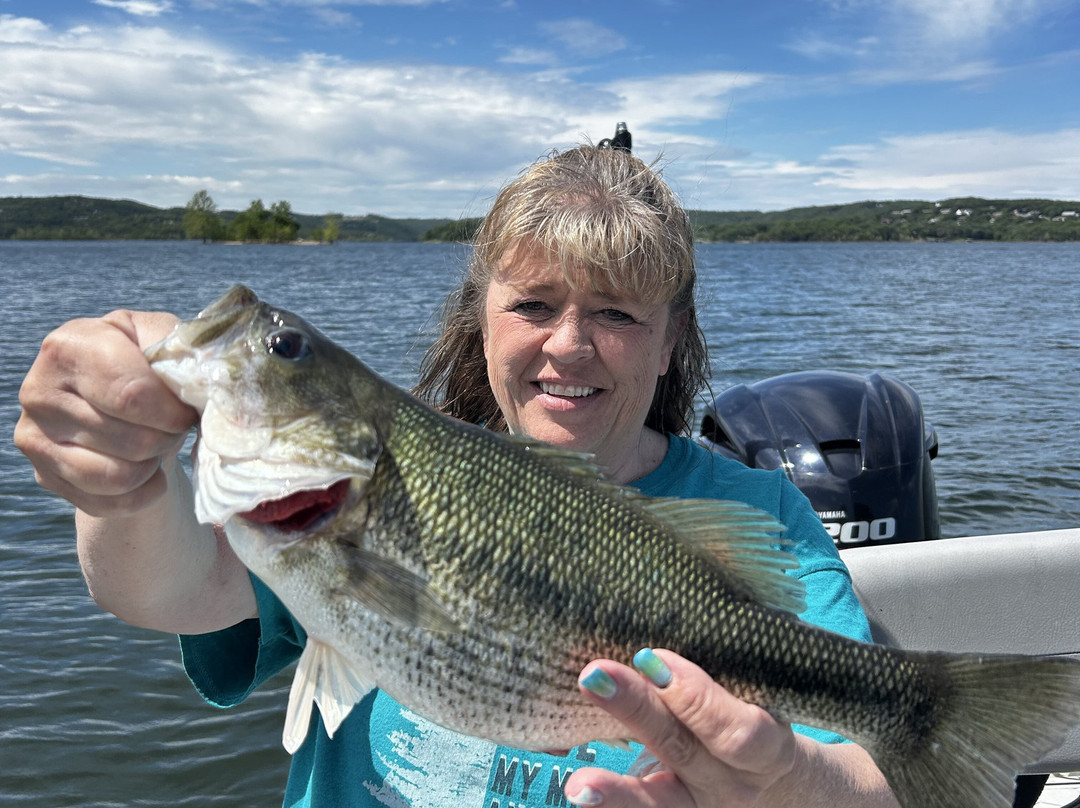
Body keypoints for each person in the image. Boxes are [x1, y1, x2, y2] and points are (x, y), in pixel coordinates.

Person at [15, 143, 898, 808]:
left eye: (617, 314)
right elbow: (165, 589)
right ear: (483, 322)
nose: (568, 345)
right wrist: (125, 483)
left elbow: (872, 776)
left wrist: (789, 781)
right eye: (533, 304)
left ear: (670, 343)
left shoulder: (762, 513)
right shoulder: (340, 501)